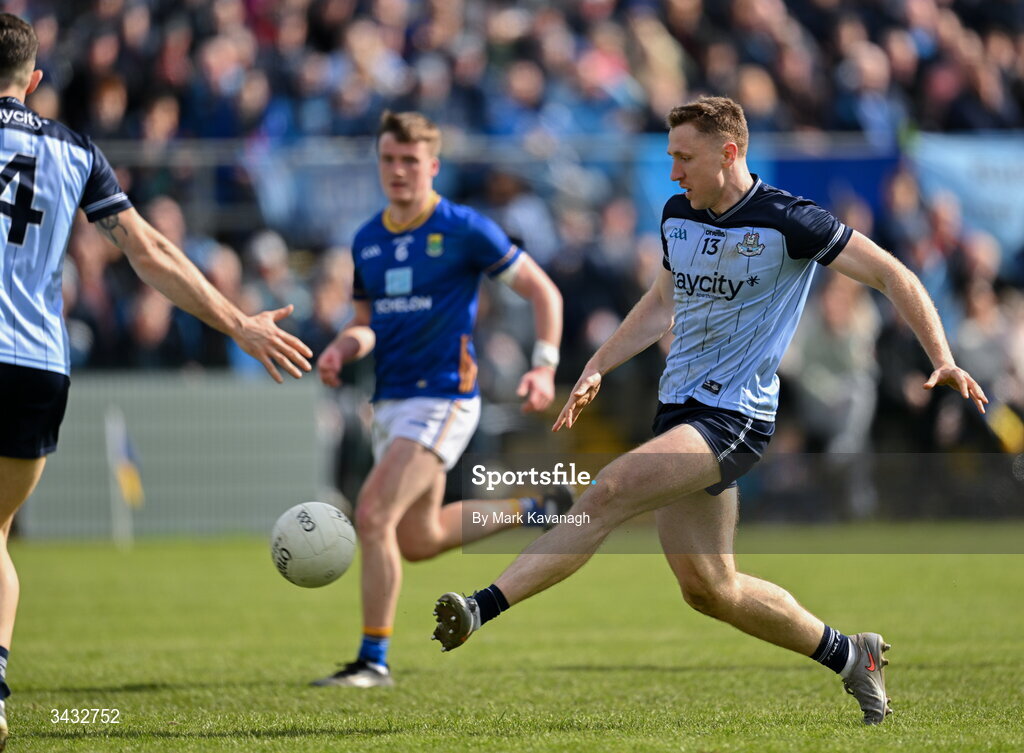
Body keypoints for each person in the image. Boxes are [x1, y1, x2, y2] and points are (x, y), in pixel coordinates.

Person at [431, 96, 988, 725]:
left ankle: (480, 606)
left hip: (735, 418)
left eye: (683, 157)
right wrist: (597, 365)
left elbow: (894, 275)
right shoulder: (678, 214)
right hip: (680, 412)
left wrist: (941, 355)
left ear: (728, 153)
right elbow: (660, 302)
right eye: (670, 156)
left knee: (607, 490)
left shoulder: (790, 220)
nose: (673, 172)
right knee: (711, 590)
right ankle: (851, 655)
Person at [0, 14, 313, 749]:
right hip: (38, 366)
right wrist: (238, 321)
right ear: (35, 81)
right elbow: (149, 251)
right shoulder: (75, 150)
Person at [311, 111, 565, 688]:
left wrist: (544, 366)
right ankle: (534, 510)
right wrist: (341, 349)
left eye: (409, 161)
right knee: (416, 538)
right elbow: (366, 323)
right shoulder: (367, 239)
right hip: (392, 402)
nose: (397, 171)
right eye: (388, 160)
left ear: (433, 166)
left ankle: (372, 661)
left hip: (445, 397)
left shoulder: (464, 228)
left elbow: (542, 291)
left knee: (372, 514)